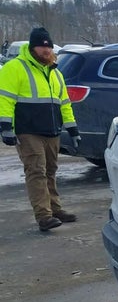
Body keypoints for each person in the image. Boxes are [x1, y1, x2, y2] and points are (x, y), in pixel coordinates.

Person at [0, 27, 82, 231]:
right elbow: (4, 99)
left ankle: (55, 209)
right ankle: (44, 216)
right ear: (32, 47)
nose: (46, 51)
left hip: (51, 130)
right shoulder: (15, 67)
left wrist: (72, 129)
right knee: (36, 171)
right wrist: (6, 127)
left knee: (51, 171)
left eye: (49, 47)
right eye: (42, 47)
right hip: (28, 131)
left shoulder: (55, 73)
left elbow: (64, 103)